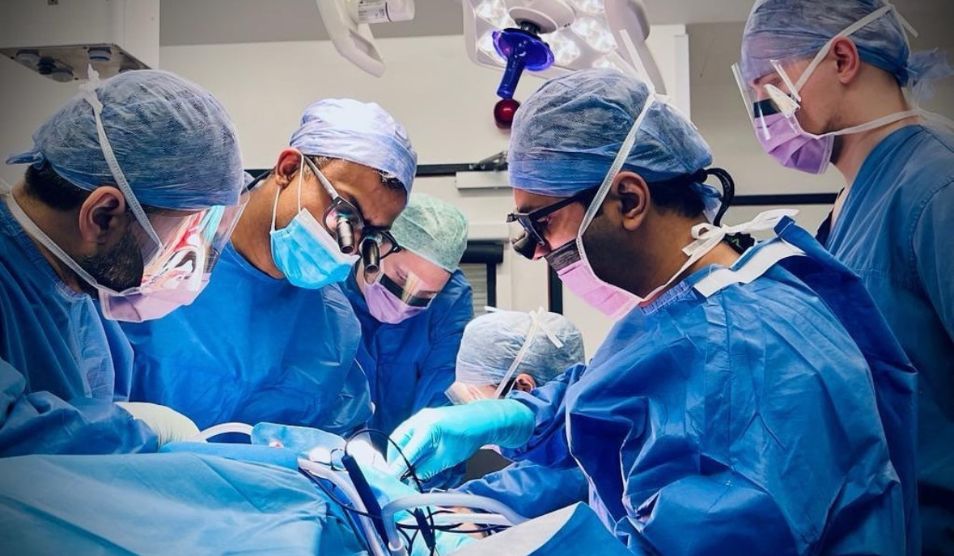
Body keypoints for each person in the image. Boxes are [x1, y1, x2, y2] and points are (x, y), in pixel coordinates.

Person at [386, 69, 918, 554]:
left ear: (629, 201)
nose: (536, 252)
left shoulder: (747, 347)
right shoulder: (701, 305)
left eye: (539, 225)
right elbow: (614, 394)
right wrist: (513, 415)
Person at [736, 2, 953, 551]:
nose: (763, 114)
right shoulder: (847, 207)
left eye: (772, 87)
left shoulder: (936, 187)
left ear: (842, 58)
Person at [121, 98, 416, 436]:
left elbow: (342, 437)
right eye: (345, 213)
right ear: (289, 169)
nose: (347, 242)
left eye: (370, 233)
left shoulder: (333, 324)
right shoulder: (161, 256)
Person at [0, 69, 247, 456]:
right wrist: (135, 432)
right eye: (181, 230)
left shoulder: (77, 288)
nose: (187, 256)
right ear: (103, 216)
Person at [344, 193, 472, 442]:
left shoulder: (449, 302)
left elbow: (443, 396)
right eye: (401, 278)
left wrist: (422, 464)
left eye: (426, 293)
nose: (405, 303)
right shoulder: (327, 291)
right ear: (373, 245)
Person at [448, 309, 590, 519]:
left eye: (475, 397)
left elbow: (529, 488)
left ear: (523, 388)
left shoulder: (576, 462)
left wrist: (455, 508)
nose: (469, 411)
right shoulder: (575, 433)